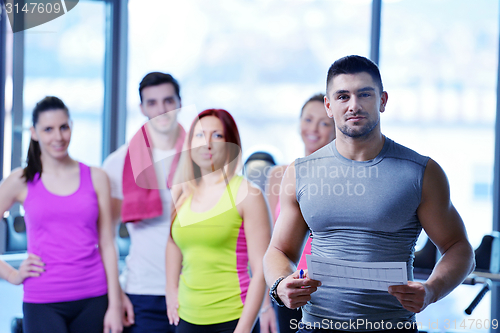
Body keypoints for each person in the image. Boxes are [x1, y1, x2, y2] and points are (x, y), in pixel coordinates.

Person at [263, 55, 475, 332]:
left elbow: (459, 248)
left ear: (382, 100)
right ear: (329, 105)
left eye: (364, 94)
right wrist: (280, 285)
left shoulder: (420, 172)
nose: (354, 105)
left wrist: (432, 290)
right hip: (315, 327)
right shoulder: (301, 172)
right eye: (342, 96)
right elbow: (279, 250)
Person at [0, 96, 122, 333]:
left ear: (71, 126)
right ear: (34, 132)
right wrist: (12, 275)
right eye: (48, 129)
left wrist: (115, 304)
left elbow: (107, 243)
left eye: (63, 127)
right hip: (43, 300)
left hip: (94, 297)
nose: (58, 137)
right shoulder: (21, 180)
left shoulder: (97, 177)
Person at [166, 109, 271, 333]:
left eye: (217, 135)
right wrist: (170, 289)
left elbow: (261, 270)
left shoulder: (248, 194)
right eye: (200, 135)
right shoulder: (181, 192)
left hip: (233, 318)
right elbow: (173, 243)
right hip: (186, 317)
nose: (207, 143)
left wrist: (243, 329)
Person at [102, 72, 185, 333]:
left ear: (180, 102)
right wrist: (115, 298)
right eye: (152, 103)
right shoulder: (118, 162)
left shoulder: (201, 156)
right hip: (143, 291)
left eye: (168, 101)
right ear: (142, 108)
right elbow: (106, 237)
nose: (161, 110)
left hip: (195, 288)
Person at [266, 93, 335, 333]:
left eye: (324, 123)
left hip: (324, 289)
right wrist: (268, 299)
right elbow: (269, 246)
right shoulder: (280, 175)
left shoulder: (342, 179)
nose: (313, 128)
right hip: (287, 285)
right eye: (307, 120)